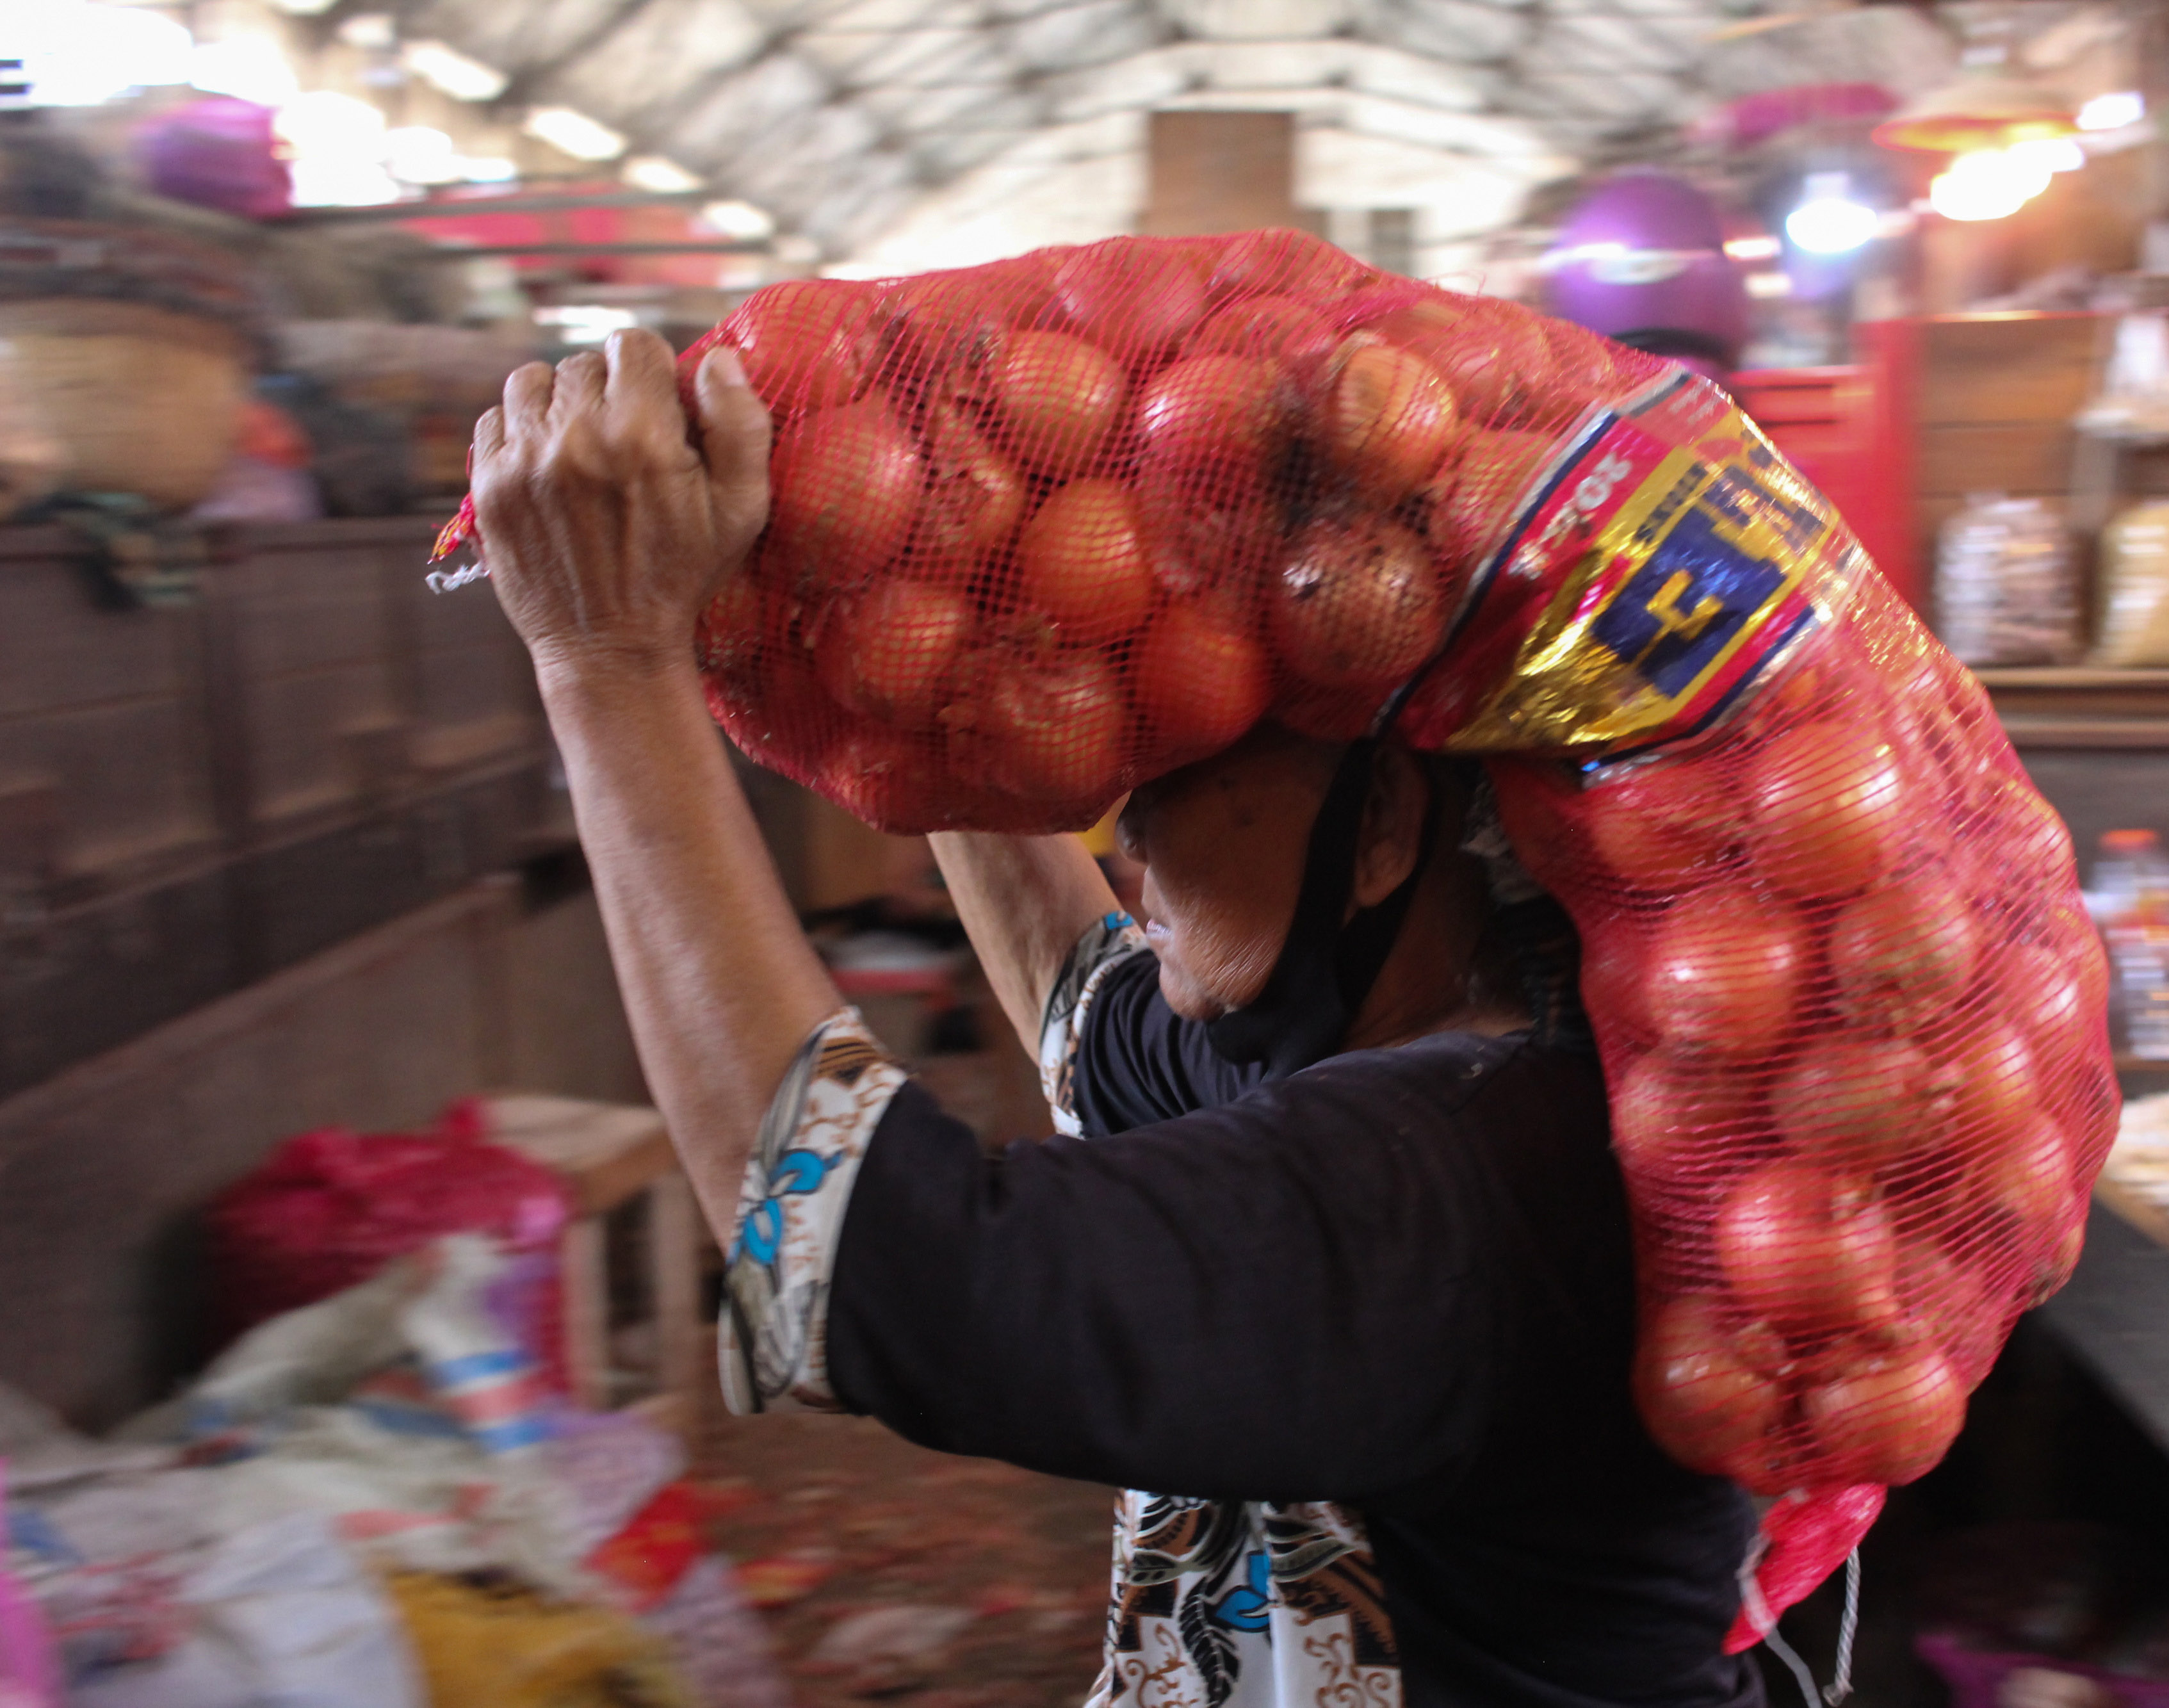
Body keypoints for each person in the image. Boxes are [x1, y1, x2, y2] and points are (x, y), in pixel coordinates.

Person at [467, 328, 1765, 1708]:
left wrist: (606, 663)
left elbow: (857, 1259)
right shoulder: (1422, 1048)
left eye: (1174, 771)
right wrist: (919, 648)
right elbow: (1084, 1015)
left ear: (1384, 818)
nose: (1123, 825)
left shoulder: (1465, 1180)